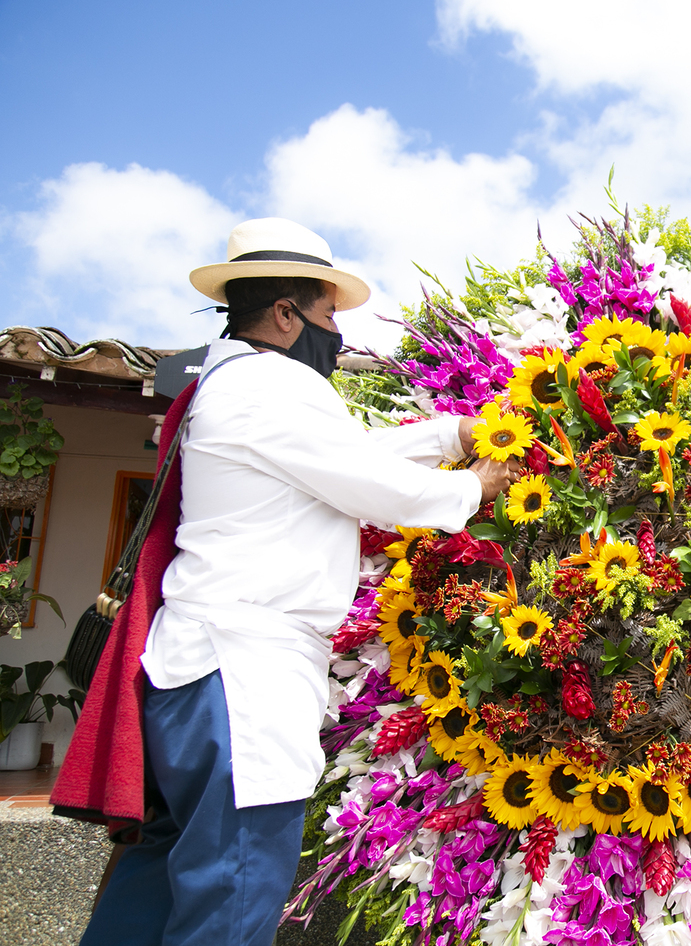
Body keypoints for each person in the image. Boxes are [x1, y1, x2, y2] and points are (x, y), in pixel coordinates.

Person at [76, 218, 513, 945]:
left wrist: (449, 435)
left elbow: (335, 457)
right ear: (285, 314)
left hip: (201, 670)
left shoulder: (238, 384)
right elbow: (369, 484)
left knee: (159, 876)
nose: (336, 335)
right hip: (243, 677)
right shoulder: (273, 385)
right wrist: (474, 486)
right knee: (233, 890)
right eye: (328, 315)